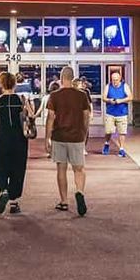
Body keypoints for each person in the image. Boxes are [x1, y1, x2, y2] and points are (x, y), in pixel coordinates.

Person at [45, 64, 91, 215]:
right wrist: (84, 133)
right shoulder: (82, 95)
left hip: (59, 136)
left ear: (61, 78)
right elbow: (86, 117)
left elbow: (50, 117)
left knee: (61, 169)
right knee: (79, 169)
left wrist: (47, 138)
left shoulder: (55, 95)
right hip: (76, 136)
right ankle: (79, 192)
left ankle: (64, 201)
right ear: (72, 79)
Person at [0, 70, 33, 216]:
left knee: (0, 166)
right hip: (19, 139)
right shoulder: (21, 100)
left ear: (1, 84)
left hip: (3, 138)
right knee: (18, 169)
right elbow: (30, 116)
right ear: (14, 84)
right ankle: (14, 202)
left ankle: (3, 190)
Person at [102, 66, 131, 157]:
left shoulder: (125, 86)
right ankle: (106, 143)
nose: (114, 81)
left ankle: (121, 148)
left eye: (116, 80)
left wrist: (120, 101)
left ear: (120, 79)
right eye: (113, 80)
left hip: (122, 112)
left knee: (122, 132)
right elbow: (103, 97)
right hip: (110, 113)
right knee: (108, 131)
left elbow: (130, 97)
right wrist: (110, 100)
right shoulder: (108, 86)